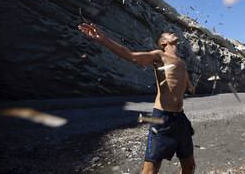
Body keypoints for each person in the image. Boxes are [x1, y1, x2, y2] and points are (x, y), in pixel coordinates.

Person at [78, 23, 196, 174]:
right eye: (169, 34)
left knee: (189, 166)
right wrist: (103, 39)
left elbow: (182, 76)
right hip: (163, 118)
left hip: (180, 118)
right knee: (151, 170)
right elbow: (130, 55)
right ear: (163, 42)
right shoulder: (159, 56)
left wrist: (190, 85)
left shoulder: (182, 63)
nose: (173, 33)